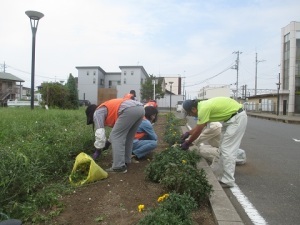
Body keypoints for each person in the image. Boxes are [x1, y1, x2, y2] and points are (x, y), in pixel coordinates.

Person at [180, 97, 247, 188]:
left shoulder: (203, 109)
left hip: (236, 119)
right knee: (223, 148)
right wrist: (188, 133)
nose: (190, 115)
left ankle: (228, 180)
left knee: (227, 150)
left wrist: (188, 143)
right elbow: (199, 126)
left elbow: (199, 130)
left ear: (193, 109)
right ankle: (221, 175)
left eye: (190, 113)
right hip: (231, 120)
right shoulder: (202, 106)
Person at [85, 97, 144, 173]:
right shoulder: (106, 109)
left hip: (128, 110)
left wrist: (98, 149)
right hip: (140, 108)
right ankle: (125, 161)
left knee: (117, 137)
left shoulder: (97, 113)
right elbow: (116, 131)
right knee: (128, 137)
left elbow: (100, 134)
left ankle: (118, 167)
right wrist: (108, 142)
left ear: (91, 114)